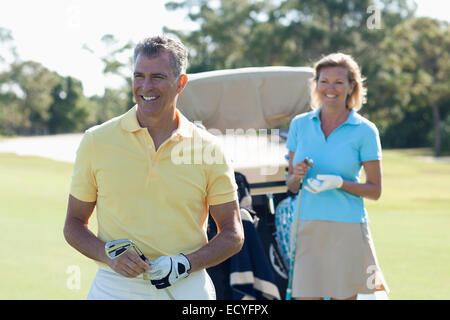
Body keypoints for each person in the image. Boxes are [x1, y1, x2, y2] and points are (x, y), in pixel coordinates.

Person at [63, 35, 244, 300]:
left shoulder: (209, 148)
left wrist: (185, 263)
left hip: (187, 287)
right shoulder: (96, 141)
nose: (145, 86)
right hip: (114, 287)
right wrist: (108, 255)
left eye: (157, 77)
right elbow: (73, 225)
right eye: (139, 76)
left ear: (181, 83)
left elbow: (233, 233)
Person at [285, 52, 389, 300]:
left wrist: (340, 183)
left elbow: (375, 190)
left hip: (348, 227)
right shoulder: (299, 125)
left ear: (352, 86)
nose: (330, 88)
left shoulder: (365, 131)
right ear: (316, 84)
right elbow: (290, 185)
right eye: (324, 81)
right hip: (307, 226)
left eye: (339, 82)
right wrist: (297, 175)